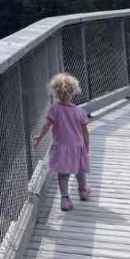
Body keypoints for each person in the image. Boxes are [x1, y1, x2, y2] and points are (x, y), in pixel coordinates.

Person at [34, 73, 91, 212]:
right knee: (80, 170)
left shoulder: (54, 109)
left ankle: (65, 199)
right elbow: (85, 131)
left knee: (63, 174)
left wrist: (40, 137)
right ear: (74, 92)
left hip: (61, 147)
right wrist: (86, 146)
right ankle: (83, 191)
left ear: (56, 92)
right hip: (77, 147)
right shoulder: (80, 112)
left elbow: (46, 125)